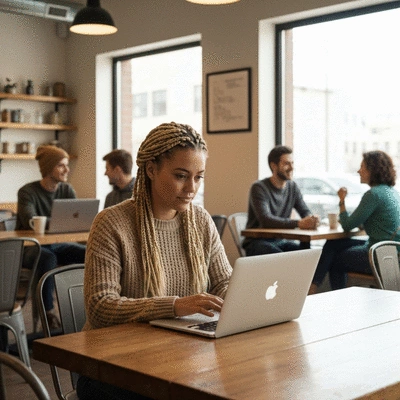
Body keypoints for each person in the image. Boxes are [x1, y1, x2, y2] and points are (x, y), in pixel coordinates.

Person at [77, 122, 232, 400]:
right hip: (113, 367)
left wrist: (246, 298)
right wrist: (175, 306)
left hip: (178, 357)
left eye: (198, 177)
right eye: (181, 176)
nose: (191, 188)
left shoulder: (200, 220)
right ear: (150, 169)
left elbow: (223, 282)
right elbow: (100, 307)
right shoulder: (111, 223)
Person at [308, 150, 400, 295]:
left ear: (372, 170)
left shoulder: (373, 194)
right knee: (333, 244)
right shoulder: (392, 192)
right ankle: (312, 287)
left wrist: (342, 200)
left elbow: (347, 225)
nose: (358, 170)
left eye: (362, 166)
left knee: (335, 260)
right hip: (391, 253)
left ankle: (334, 296)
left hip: (377, 255)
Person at [16, 145, 86, 329]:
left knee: (90, 253)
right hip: (31, 248)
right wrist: (60, 220)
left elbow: (75, 221)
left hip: (59, 244)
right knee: (48, 258)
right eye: (61, 165)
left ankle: (89, 307)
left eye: (67, 165)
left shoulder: (67, 190)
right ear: (48, 168)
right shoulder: (27, 192)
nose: (67, 170)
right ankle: (48, 312)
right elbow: (30, 220)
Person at [243, 145, 319, 256]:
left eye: (292, 163)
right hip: (257, 242)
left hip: (280, 241)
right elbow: (266, 220)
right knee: (284, 259)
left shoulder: (292, 187)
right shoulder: (259, 188)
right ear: (274, 166)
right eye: (286, 163)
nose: (292, 167)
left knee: (308, 255)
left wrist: (311, 220)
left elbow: (304, 211)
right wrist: (299, 223)